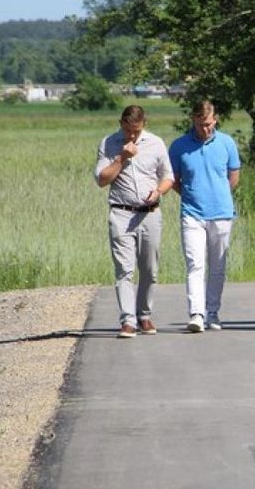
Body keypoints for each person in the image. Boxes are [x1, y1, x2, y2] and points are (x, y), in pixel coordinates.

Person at [94, 105, 174, 338]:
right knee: (124, 270)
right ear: (121, 124)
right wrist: (122, 158)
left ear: (144, 125)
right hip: (121, 213)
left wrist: (159, 191)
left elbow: (168, 176)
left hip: (150, 213)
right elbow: (102, 180)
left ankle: (144, 315)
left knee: (149, 270)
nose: (131, 136)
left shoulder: (156, 143)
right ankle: (127, 320)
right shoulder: (108, 143)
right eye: (128, 130)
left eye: (136, 132)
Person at [168, 100, 241, 333]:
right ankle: (196, 314)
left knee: (218, 267)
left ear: (215, 120)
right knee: (195, 265)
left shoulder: (227, 143)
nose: (205, 129)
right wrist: (191, 195)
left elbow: (234, 176)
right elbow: (174, 180)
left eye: (209, 124)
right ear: (193, 121)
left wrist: (219, 194)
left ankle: (213, 311)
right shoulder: (179, 146)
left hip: (221, 212)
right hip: (192, 213)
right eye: (201, 125)